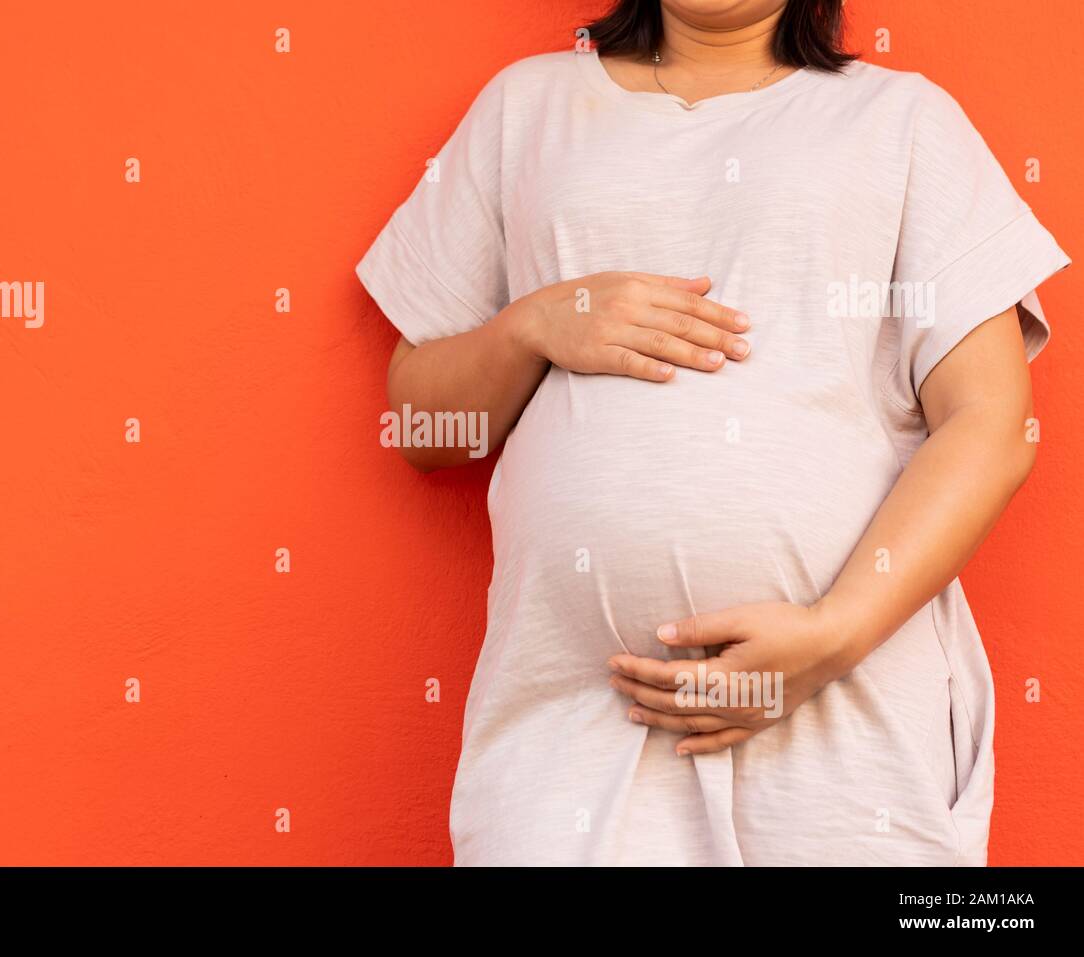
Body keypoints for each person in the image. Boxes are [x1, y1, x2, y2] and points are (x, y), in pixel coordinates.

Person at [356, 0, 1070, 865]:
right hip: (573, 741)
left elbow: (993, 420)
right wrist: (534, 323)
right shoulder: (525, 109)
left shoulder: (904, 121)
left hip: (847, 722)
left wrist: (832, 635)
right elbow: (422, 423)